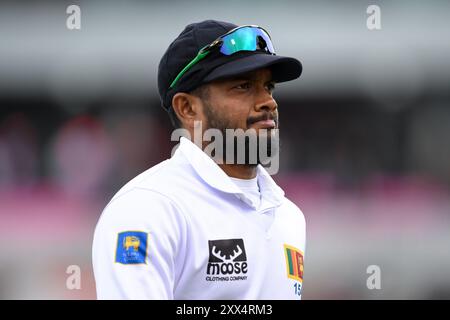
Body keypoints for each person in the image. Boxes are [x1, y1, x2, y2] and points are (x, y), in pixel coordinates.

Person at [92, 19, 306, 299]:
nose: (268, 101)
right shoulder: (147, 208)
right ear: (188, 108)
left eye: (269, 86)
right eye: (243, 86)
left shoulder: (289, 216)